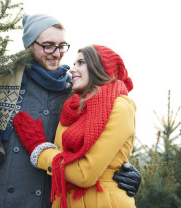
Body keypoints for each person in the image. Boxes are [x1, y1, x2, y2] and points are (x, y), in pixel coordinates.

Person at [0, 14, 141, 208]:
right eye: (48, 46)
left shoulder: (74, 96)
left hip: (43, 201)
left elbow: (97, 145)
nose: (56, 53)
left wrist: (125, 171)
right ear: (29, 45)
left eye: (62, 46)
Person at [13, 44, 138, 207]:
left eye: (81, 63)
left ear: (100, 67)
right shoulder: (71, 108)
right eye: (73, 64)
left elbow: (85, 174)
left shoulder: (120, 106)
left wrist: (41, 151)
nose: (71, 69)